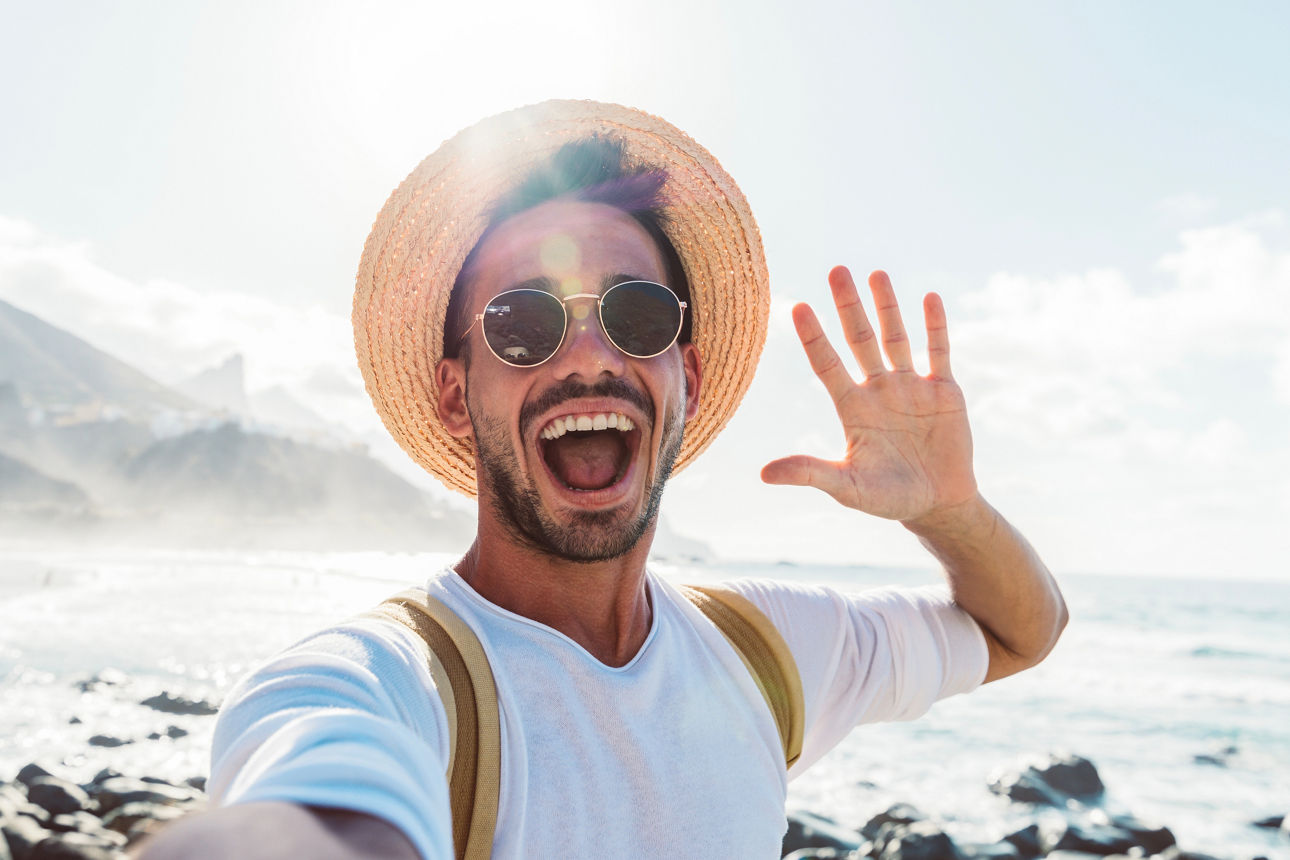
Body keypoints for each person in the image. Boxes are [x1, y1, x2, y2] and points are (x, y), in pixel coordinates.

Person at [139, 100, 1066, 859]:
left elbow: (1022, 632)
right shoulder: (381, 682)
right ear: (457, 397)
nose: (588, 353)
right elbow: (310, 814)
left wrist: (953, 514)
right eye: (523, 323)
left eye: (636, 312)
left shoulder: (763, 652)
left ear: (686, 381)